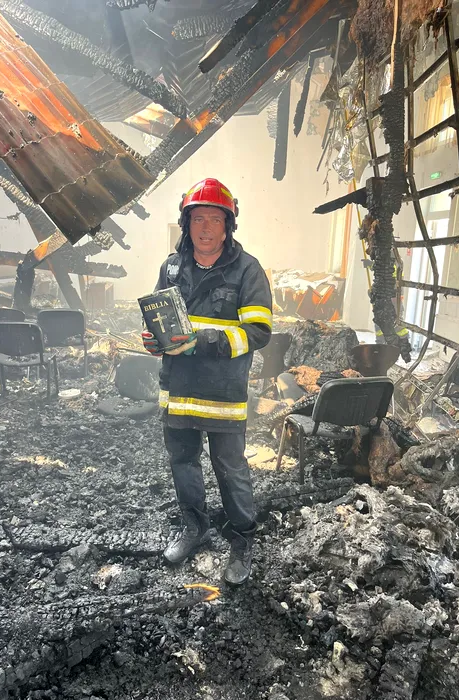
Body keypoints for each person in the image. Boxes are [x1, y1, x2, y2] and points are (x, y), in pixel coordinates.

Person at [142, 178, 272, 585]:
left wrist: (203, 341)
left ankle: (243, 539)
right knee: (182, 462)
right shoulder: (171, 268)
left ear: (228, 225)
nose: (206, 228)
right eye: (198, 218)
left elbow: (258, 332)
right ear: (187, 223)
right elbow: (159, 317)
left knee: (230, 467)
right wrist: (154, 340)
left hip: (222, 392)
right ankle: (194, 527)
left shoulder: (247, 270)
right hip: (179, 389)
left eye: (215, 219)